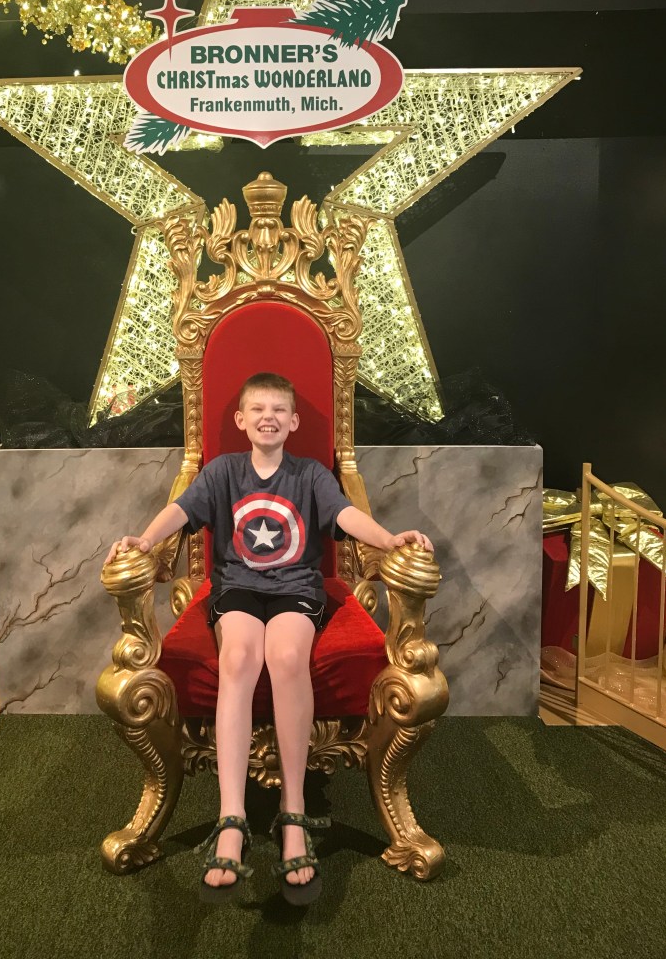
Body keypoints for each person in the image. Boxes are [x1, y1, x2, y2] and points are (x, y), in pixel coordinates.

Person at [105, 372, 433, 905]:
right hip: (237, 587)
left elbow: (347, 515)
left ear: (294, 421)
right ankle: (231, 817)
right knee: (238, 658)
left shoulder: (310, 474)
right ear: (240, 419)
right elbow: (182, 509)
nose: (268, 418)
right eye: (257, 409)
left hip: (296, 588)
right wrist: (144, 539)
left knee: (285, 657)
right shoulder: (223, 471)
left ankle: (293, 813)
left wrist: (390, 539)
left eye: (279, 410)